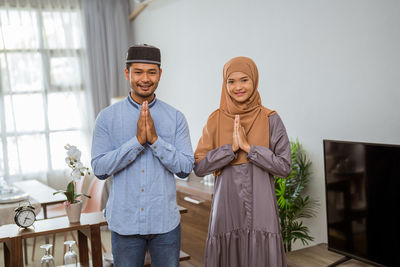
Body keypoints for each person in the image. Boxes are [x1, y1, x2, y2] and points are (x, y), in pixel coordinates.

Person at [91, 44, 194, 267]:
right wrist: (137, 142)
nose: (145, 79)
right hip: (124, 222)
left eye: (151, 72)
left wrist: (156, 141)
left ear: (160, 74)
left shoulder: (175, 117)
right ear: (127, 73)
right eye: (138, 72)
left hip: (165, 223)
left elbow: (185, 167)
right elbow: (99, 169)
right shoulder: (107, 118)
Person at [194, 56, 291, 267]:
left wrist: (250, 148)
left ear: (254, 80)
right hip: (226, 210)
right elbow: (199, 167)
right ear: (225, 84)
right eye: (231, 81)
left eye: (244, 80)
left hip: (261, 211)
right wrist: (230, 149)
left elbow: (284, 167)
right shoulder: (215, 119)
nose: (238, 87)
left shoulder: (270, 119)